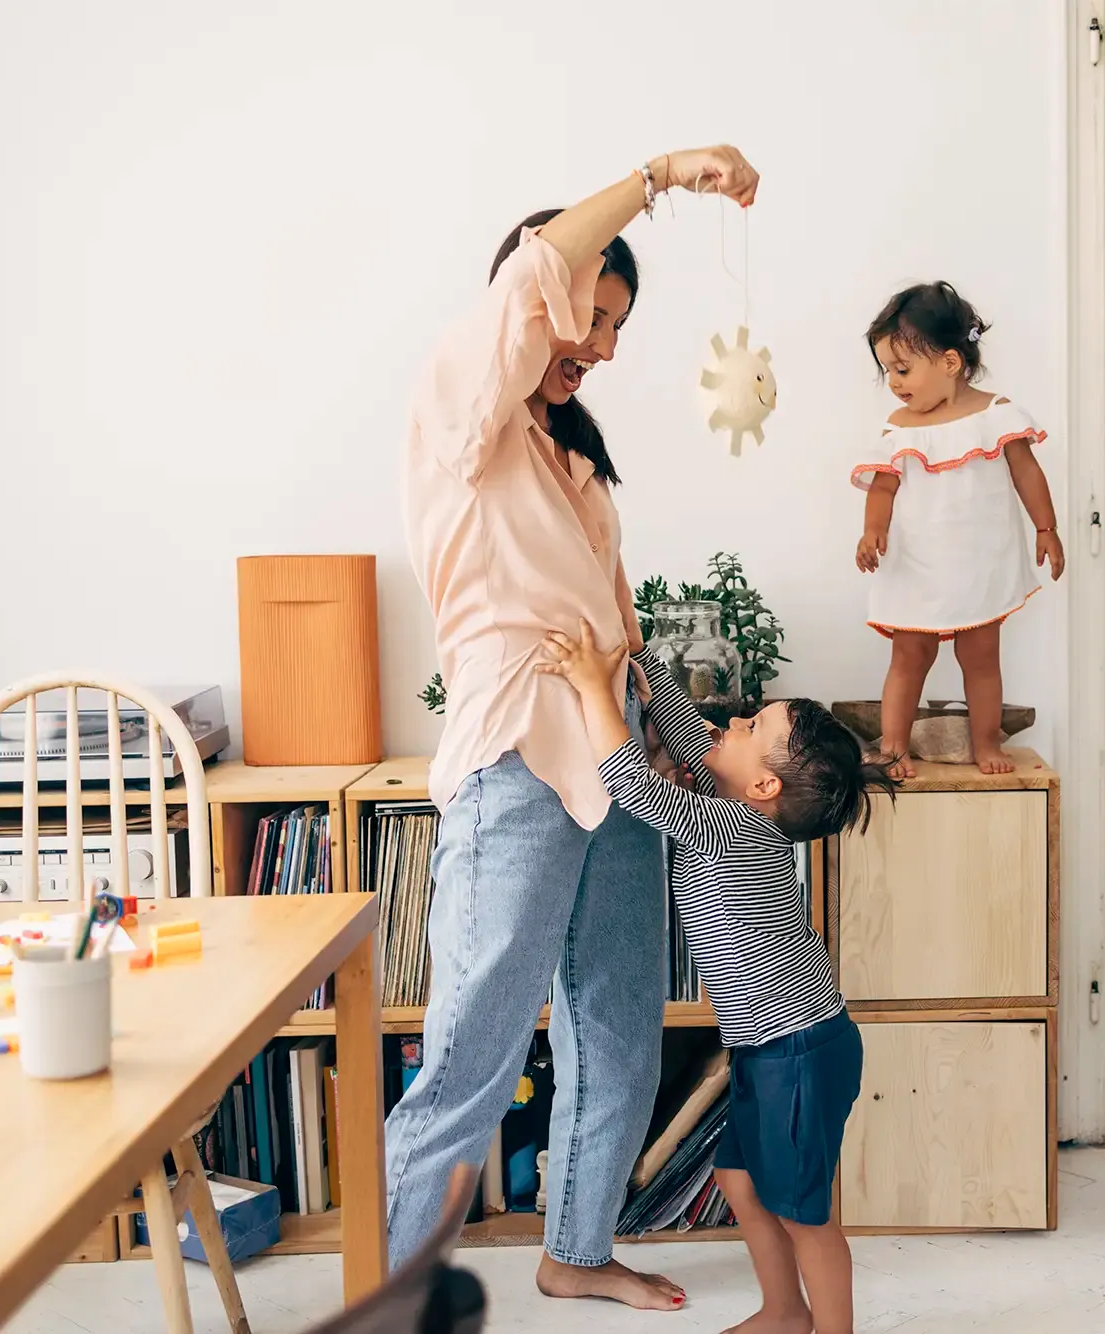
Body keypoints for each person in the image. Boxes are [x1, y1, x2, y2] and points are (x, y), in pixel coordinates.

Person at [388, 146, 760, 1312]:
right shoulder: (465, 409)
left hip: (613, 758)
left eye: (615, 329)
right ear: (534, 299)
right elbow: (542, 268)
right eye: (588, 317)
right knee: (473, 1050)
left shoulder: (568, 456)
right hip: (516, 762)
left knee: (619, 1024)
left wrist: (660, 730)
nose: (598, 346)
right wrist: (663, 174)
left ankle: (577, 1247)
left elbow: (609, 621)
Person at [538, 617, 895, 1334]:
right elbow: (684, 731)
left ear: (763, 782)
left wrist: (589, 684)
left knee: (805, 1214)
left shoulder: (730, 826)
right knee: (739, 1179)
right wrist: (641, 658)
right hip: (768, 1048)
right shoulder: (733, 806)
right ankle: (786, 1312)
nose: (729, 720)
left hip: (802, 1049)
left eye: (750, 725)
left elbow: (633, 788)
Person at [853, 282, 1064, 777]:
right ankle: (895, 745)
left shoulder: (996, 415)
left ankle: (987, 742)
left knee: (981, 657)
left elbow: (1026, 472)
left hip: (978, 562)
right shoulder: (900, 427)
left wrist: (1046, 528)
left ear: (950, 362)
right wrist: (871, 532)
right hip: (916, 563)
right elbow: (882, 488)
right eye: (888, 371)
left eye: (903, 369)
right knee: (909, 655)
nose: (895, 382)